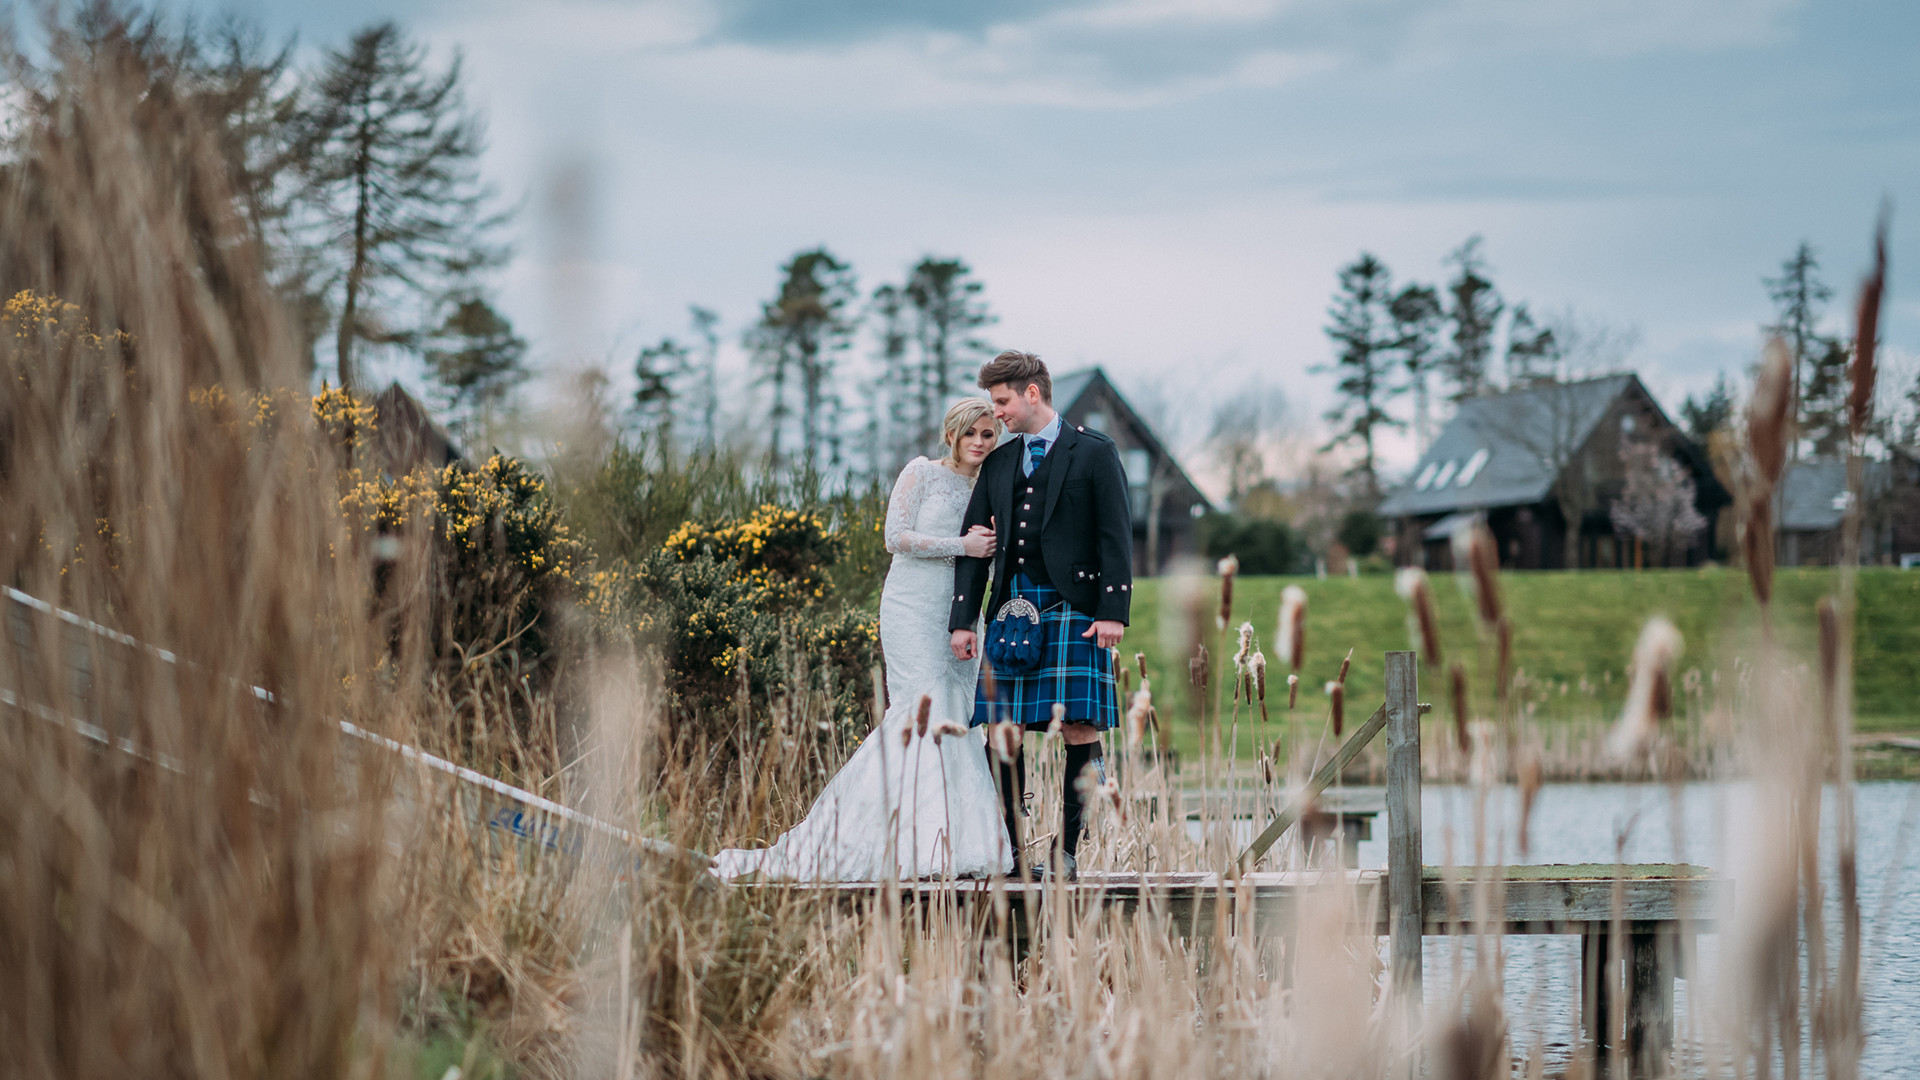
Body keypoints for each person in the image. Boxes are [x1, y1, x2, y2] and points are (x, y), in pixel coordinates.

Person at [712, 400, 1013, 880]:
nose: (979, 442)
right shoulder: (921, 473)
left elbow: (990, 558)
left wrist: (989, 560)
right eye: (970, 433)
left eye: (988, 435)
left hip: (960, 614)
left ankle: (954, 842)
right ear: (951, 435)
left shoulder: (991, 489)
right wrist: (963, 545)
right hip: (912, 606)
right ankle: (893, 841)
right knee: (920, 709)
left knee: (958, 713)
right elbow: (896, 536)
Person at [950, 351, 1132, 881]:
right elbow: (975, 544)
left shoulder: (1095, 452)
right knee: (1001, 732)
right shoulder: (999, 463)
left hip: (1075, 612)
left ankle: (1069, 852)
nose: (997, 414)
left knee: (1080, 727)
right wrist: (964, 619)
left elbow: (1115, 536)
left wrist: (1112, 610)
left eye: (1003, 401)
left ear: (1033, 393)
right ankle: (1010, 852)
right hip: (1011, 614)